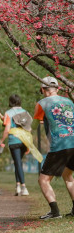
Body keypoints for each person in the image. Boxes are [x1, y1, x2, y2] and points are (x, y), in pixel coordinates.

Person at [33, 76, 74, 220]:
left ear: (43, 89)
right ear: (57, 88)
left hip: (60, 145)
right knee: (68, 175)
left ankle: (55, 212)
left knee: (43, 180)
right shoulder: (69, 102)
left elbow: (35, 125)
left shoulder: (42, 103)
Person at [1, 94, 30, 196]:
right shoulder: (25, 112)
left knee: (17, 163)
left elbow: (7, 129)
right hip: (24, 140)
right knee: (18, 163)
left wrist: (2, 140)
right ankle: (17, 186)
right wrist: (29, 144)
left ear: (10, 102)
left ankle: (23, 187)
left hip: (14, 141)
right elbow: (29, 128)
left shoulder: (8, 113)